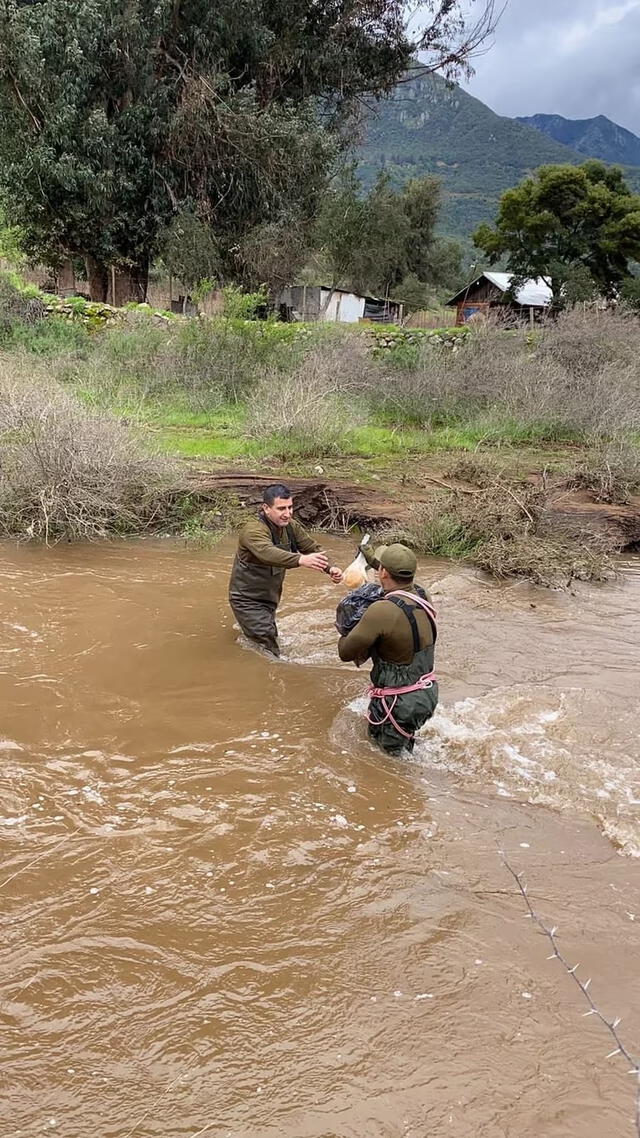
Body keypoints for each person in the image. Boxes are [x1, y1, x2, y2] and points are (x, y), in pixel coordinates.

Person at [337, 542, 438, 756]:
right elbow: (400, 581)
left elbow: (345, 653)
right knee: (405, 749)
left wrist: (345, 623)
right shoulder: (422, 595)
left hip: (397, 702)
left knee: (387, 762)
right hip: (425, 693)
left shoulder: (382, 610)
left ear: (383, 572)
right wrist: (374, 562)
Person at [229, 483, 342, 657]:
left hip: (270, 598)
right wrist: (300, 559)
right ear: (266, 508)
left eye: (290, 507)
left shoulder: (290, 526)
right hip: (247, 600)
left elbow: (311, 547)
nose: (287, 513)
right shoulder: (252, 531)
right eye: (281, 508)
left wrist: (331, 567)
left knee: (265, 638)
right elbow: (268, 553)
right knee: (268, 648)